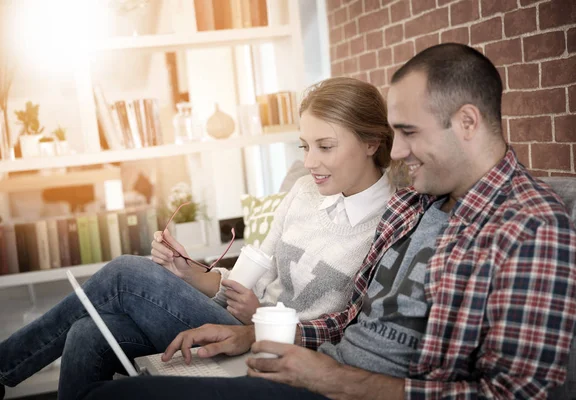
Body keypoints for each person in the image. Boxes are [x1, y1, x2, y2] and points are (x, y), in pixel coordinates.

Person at [79, 43, 576, 400]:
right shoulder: (415, 206)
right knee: (100, 357)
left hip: (341, 388)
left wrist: (339, 382)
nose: (400, 151)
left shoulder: (532, 226)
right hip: (311, 368)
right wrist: (253, 336)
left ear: (469, 123)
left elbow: (512, 393)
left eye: (408, 132)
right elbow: (349, 318)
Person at [0, 77, 400, 400]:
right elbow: (242, 283)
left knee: (124, 272)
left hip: (286, 345)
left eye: (325, 146)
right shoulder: (305, 193)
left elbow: (354, 327)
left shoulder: (390, 223)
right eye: (305, 146)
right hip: (238, 322)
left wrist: (260, 315)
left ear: (371, 142)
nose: (310, 162)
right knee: (87, 332)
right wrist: (188, 272)